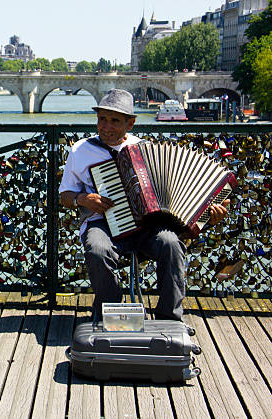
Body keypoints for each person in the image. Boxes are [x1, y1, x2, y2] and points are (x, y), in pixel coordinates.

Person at [59, 89, 229, 321]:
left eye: (114, 121)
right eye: (102, 119)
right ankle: (112, 315)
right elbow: (64, 195)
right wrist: (82, 199)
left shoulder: (145, 150)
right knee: (98, 250)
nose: (106, 127)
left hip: (146, 225)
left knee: (170, 243)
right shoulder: (80, 150)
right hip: (102, 223)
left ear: (130, 124)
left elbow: (174, 191)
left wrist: (207, 213)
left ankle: (169, 318)